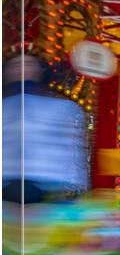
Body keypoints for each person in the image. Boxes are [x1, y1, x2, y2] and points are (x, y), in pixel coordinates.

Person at [2, 55, 87, 204]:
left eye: (27, 63)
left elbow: (71, 148)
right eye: (15, 65)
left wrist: (77, 181)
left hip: (46, 184)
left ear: (40, 70)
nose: (22, 69)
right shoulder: (5, 107)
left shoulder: (61, 108)